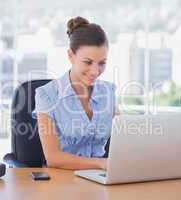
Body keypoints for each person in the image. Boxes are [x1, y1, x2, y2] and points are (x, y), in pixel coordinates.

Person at [32, 16, 119, 170]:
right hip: (61, 182)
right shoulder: (47, 95)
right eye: (88, 62)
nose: (95, 71)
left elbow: (125, 139)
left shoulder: (109, 92)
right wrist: (100, 163)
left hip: (100, 180)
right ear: (71, 56)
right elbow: (53, 158)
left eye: (102, 63)